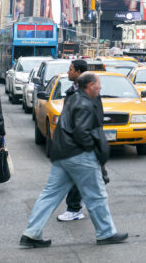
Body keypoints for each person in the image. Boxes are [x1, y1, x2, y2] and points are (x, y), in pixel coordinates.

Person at [19, 72, 127, 248]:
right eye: (98, 84)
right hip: (79, 155)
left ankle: (32, 233)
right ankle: (106, 232)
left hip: (62, 155)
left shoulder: (73, 98)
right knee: (96, 195)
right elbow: (82, 132)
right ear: (90, 85)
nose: (100, 88)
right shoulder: (85, 104)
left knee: (50, 195)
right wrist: (92, 150)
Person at [57, 59, 89, 222]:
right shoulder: (73, 90)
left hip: (79, 143)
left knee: (74, 177)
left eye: (70, 69)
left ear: (78, 72)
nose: (68, 72)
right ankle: (77, 205)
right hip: (74, 142)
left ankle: (74, 207)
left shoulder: (87, 92)